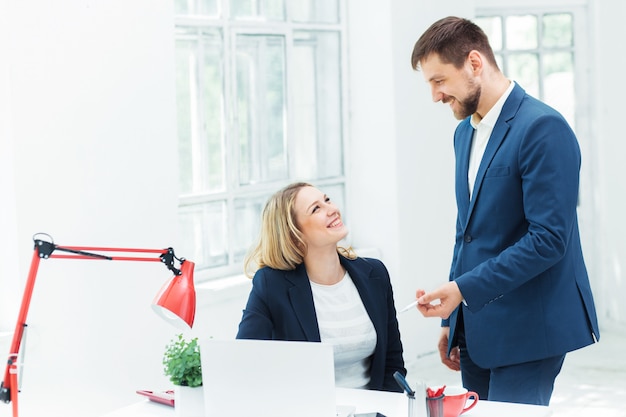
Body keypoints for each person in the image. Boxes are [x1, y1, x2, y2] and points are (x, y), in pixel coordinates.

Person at [409, 16, 600, 406]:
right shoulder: (464, 133)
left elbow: (548, 241)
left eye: (439, 80)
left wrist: (462, 290)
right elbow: (467, 233)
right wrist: (453, 320)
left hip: (532, 328)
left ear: (474, 64)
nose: (435, 96)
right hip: (477, 328)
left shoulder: (543, 128)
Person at [236, 182, 406, 392]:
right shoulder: (271, 284)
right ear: (293, 234)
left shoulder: (375, 274)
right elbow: (245, 360)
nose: (332, 209)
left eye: (327, 200)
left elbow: (393, 364)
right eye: (316, 209)